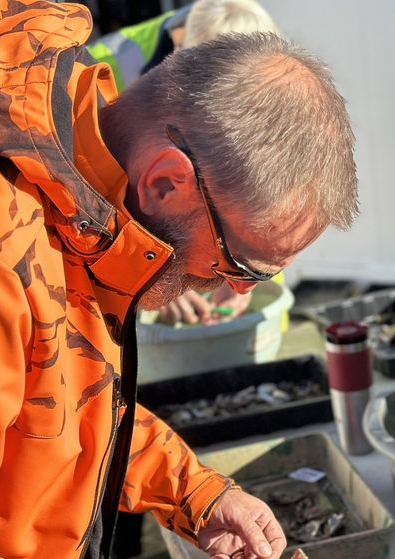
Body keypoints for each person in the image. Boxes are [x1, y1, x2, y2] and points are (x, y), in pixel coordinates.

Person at [0, 1, 358, 559]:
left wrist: (198, 495)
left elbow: (56, 403)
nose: (235, 291)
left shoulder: (71, 200)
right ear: (166, 182)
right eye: (240, 262)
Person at [88, 0, 281, 326]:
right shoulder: (98, 78)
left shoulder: (265, 77)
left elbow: (267, 190)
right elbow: (83, 204)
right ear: (180, 51)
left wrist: (250, 272)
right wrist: (148, 275)